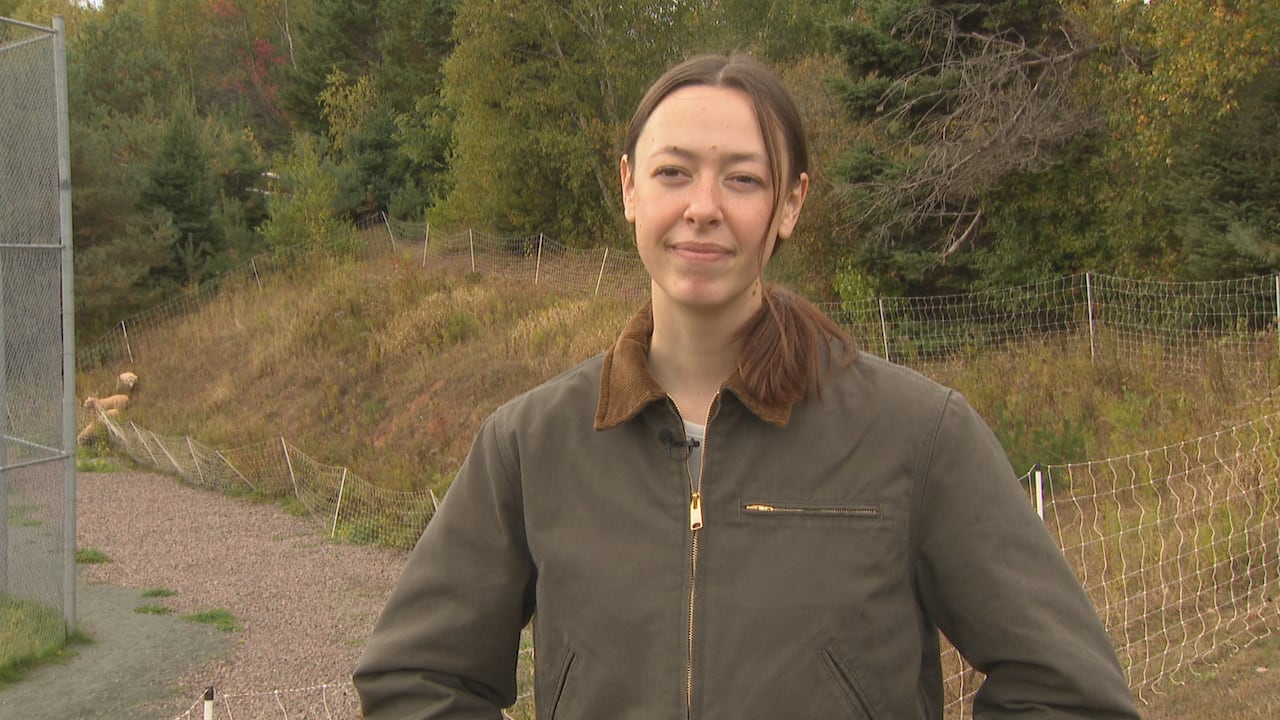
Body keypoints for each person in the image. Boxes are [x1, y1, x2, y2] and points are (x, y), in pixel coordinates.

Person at [353, 53, 1141, 719]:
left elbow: (1068, 691)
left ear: (789, 204)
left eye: (743, 179)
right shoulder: (531, 445)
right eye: (673, 173)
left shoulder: (918, 436)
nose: (703, 208)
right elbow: (414, 678)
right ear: (629, 188)